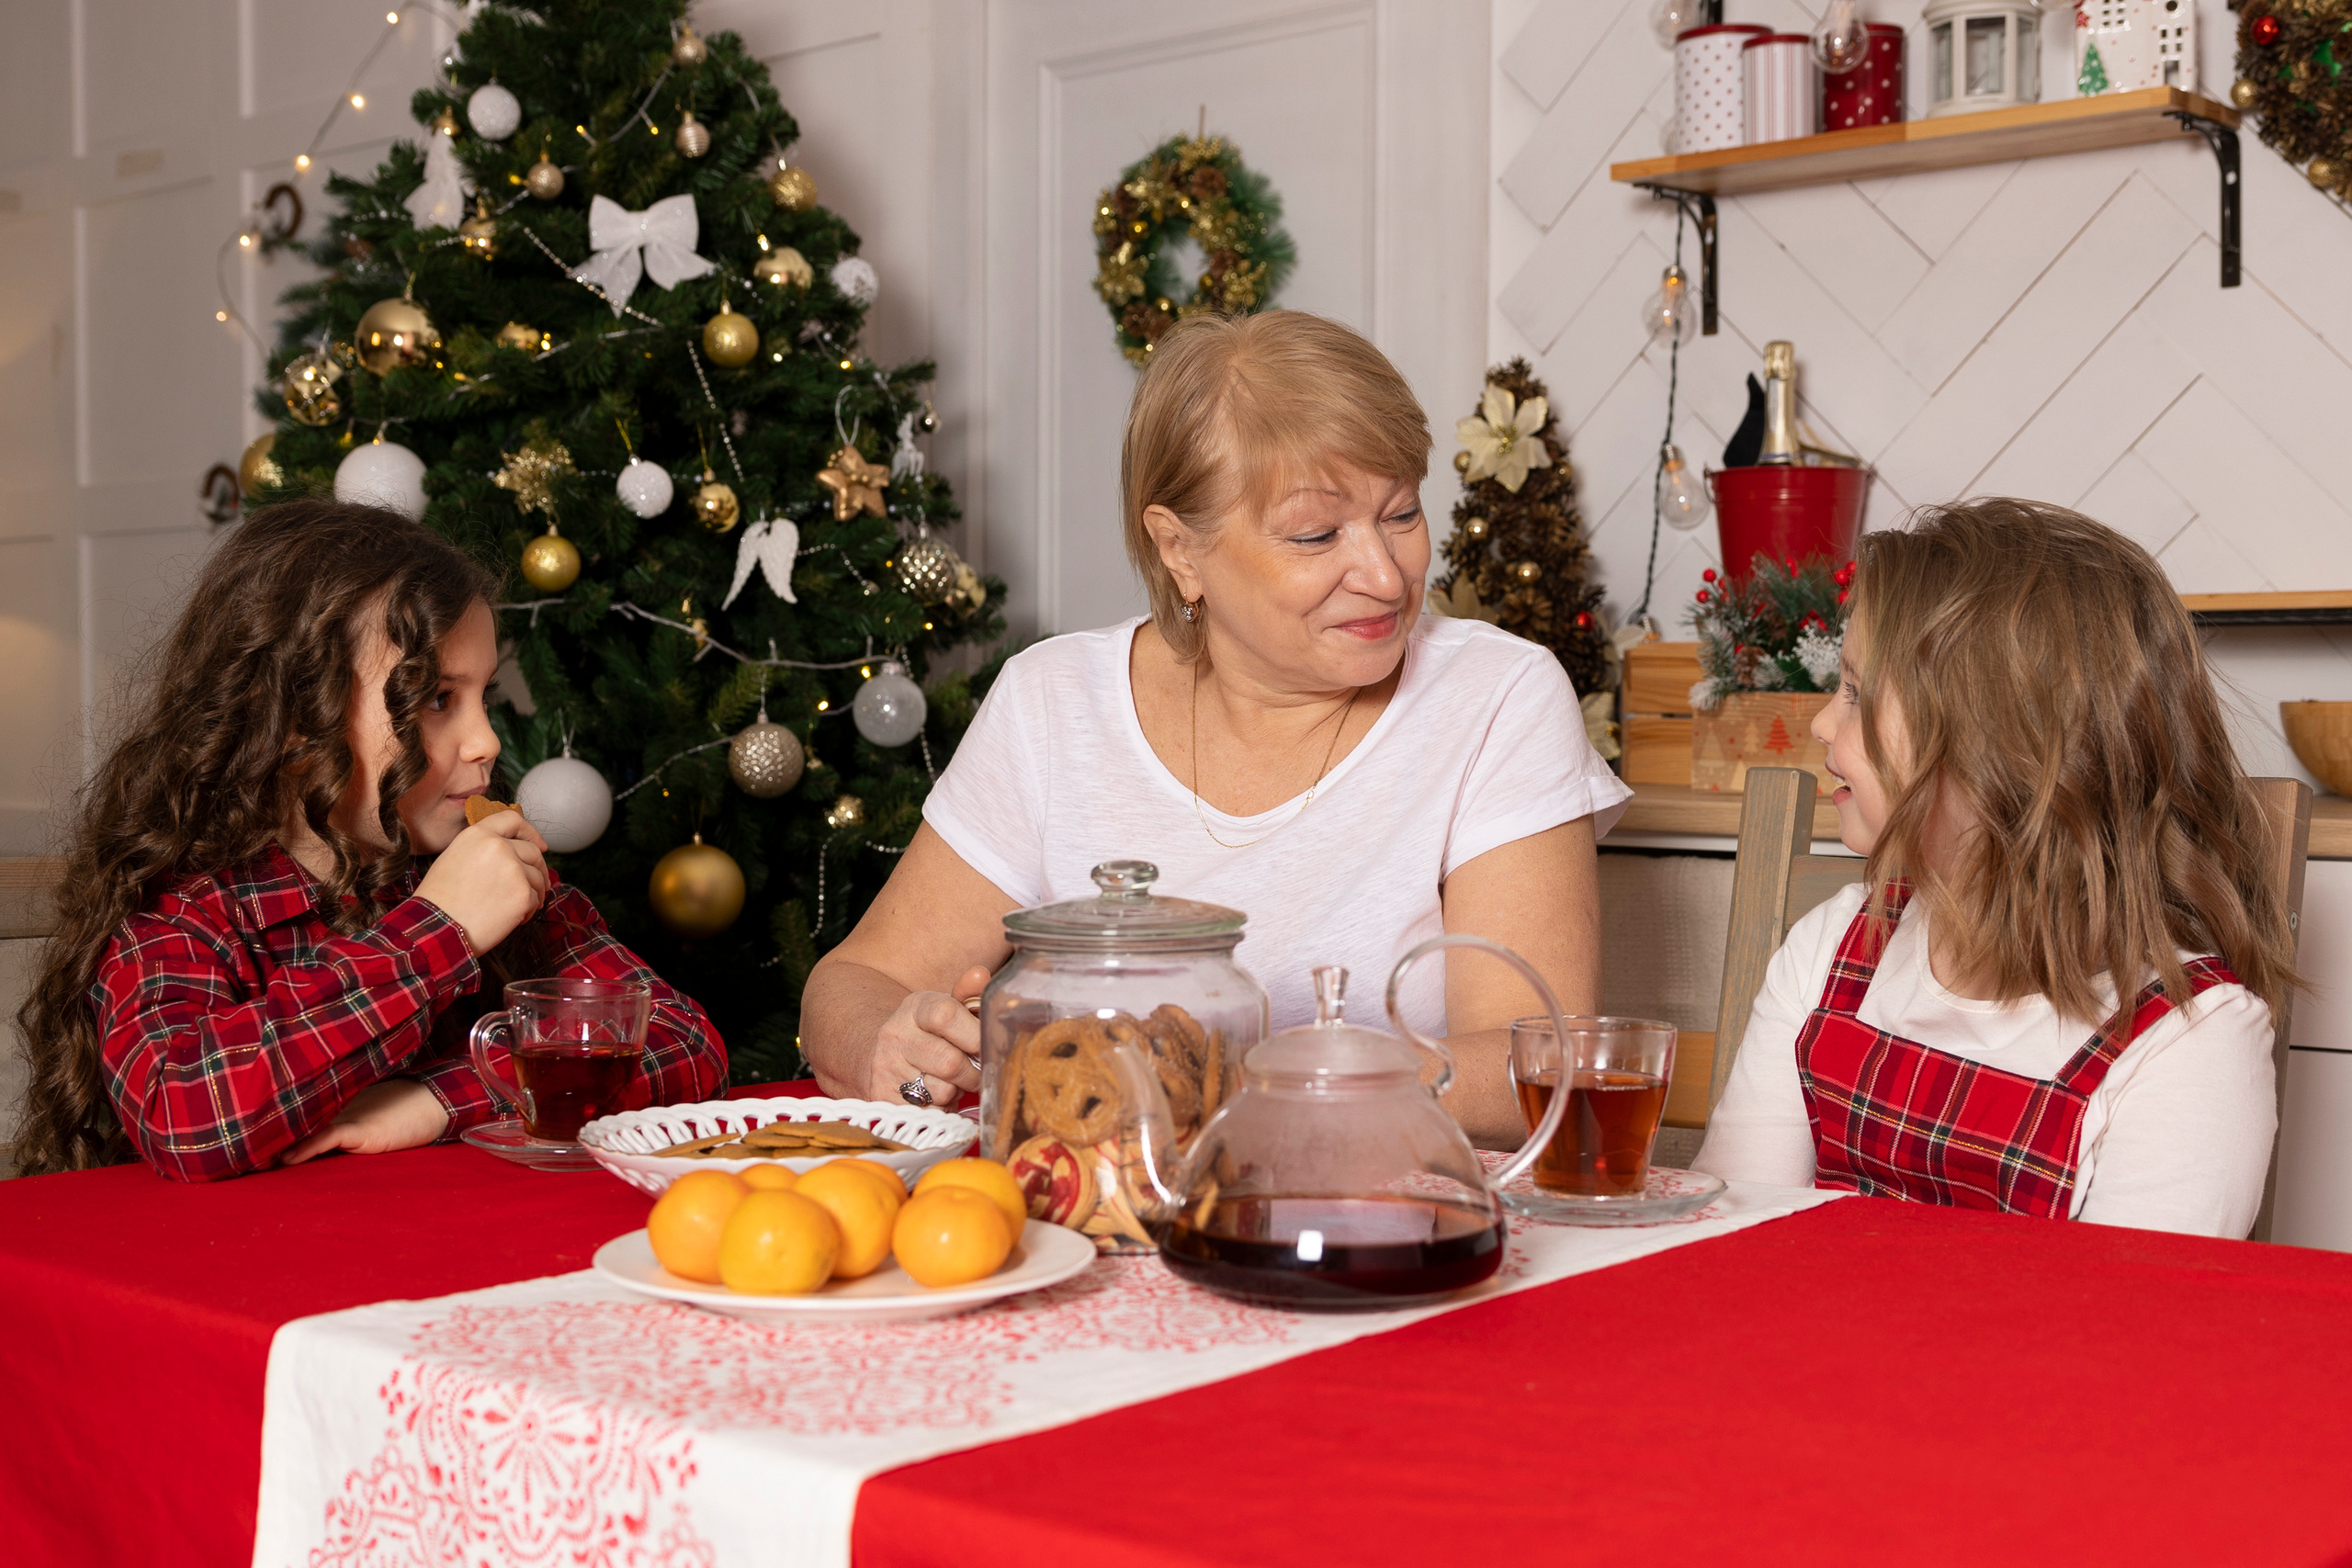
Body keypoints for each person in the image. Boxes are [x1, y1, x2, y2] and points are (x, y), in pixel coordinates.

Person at [802, 310, 1629, 1145]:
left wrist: (1216, 1075)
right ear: (1180, 550)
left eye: (1402, 514)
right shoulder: (1052, 702)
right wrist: (890, 1039)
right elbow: (853, 983)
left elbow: (1533, 1063)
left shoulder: (1497, 696)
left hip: (1389, 1226)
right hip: (1096, 1220)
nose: (1385, 574)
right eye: (1316, 534)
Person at [11, 501, 727, 1180]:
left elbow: (681, 1041)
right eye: (438, 700)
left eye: (485, 698)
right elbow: (185, 1113)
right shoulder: (187, 910)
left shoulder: (489, 872)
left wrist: (436, 1101)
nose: (486, 741)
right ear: (296, 716)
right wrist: (438, 932)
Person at [1694, 499, 2297, 1237]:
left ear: (1997, 748)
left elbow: (2127, 1335)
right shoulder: (1829, 953)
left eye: (1856, 692)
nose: (1822, 721)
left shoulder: (2188, 1042)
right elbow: (1729, 1238)